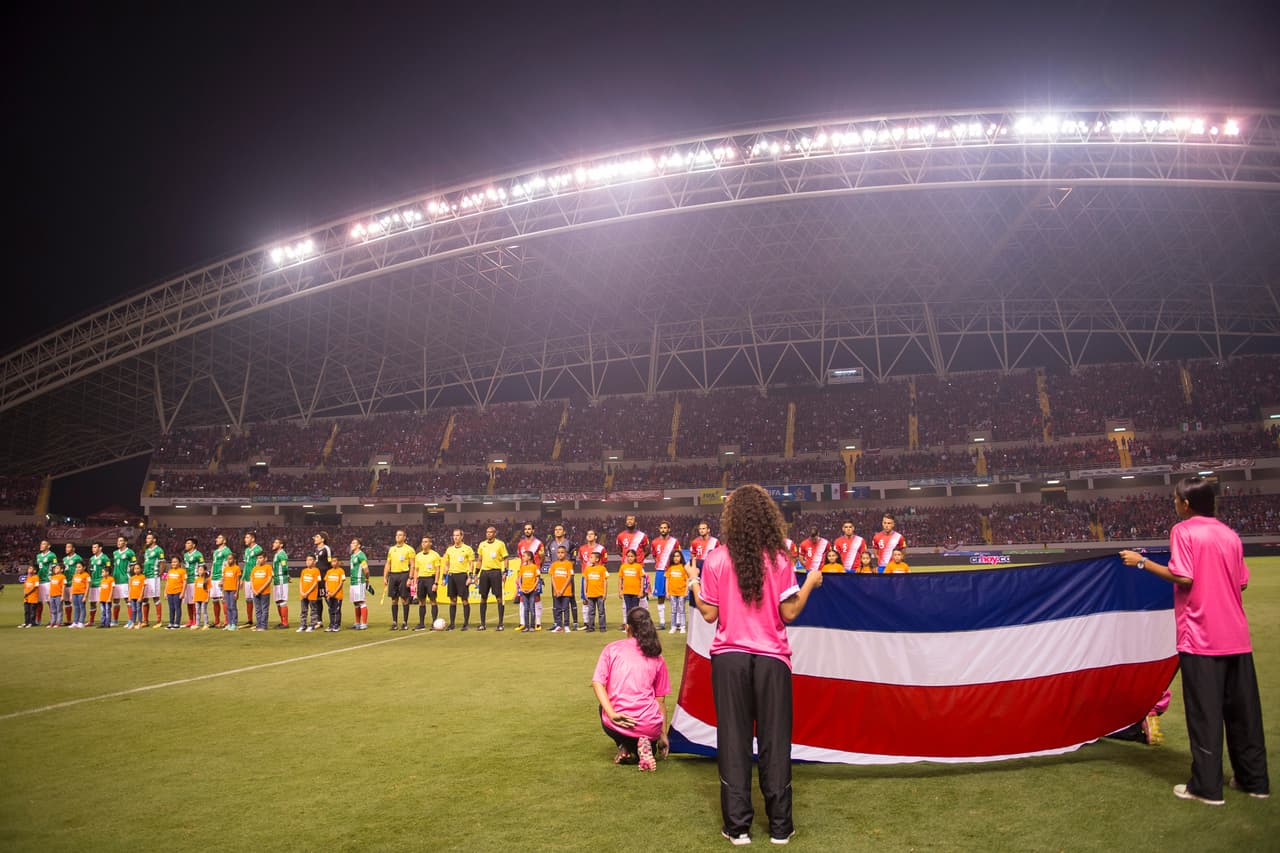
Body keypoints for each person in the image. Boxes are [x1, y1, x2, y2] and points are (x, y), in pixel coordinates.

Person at [688, 484, 824, 846]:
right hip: (771, 659)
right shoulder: (779, 559)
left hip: (729, 659)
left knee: (733, 740)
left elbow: (709, 614)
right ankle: (780, 827)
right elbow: (789, 612)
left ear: (731, 518)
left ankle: (738, 828)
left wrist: (694, 585)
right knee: (774, 740)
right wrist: (810, 582)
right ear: (767, 516)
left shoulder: (716, 559)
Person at [1120, 477, 1270, 804]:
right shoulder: (1229, 534)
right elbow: (1242, 582)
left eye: (1176, 499)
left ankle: (1206, 787)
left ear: (1186, 504)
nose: (1174, 504)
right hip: (1237, 636)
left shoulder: (1184, 531)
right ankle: (1254, 781)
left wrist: (1142, 562)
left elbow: (1184, 576)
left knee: (1204, 714)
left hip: (1201, 637)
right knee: (1244, 714)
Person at [591, 607, 671, 772]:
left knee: (602, 708)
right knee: (649, 733)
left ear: (627, 627)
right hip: (650, 724)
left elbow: (598, 683)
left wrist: (612, 714)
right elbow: (660, 701)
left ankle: (626, 746)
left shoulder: (612, 649)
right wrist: (663, 734)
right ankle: (643, 745)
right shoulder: (657, 656)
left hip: (621, 719)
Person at [545, 523, 579, 630]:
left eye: (560, 529)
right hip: (556, 576)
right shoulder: (550, 544)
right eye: (556, 529)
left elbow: (573, 559)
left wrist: (566, 568)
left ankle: (575, 622)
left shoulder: (570, 544)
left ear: (564, 532)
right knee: (555, 597)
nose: (557, 531)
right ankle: (557, 623)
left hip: (566, 575)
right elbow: (550, 559)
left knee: (571, 597)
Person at [475, 526, 509, 631]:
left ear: (495, 533)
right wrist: (476, 574)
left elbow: (505, 558)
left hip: (496, 572)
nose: (488, 534)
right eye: (487, 532)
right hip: (484, 573)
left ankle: (500, 624)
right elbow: (479, 560)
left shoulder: (500, 544)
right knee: (483, 597)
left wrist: (505, 572)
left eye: (490, 532)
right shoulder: (482, 544)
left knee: (499, 598)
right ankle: (482, 624)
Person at [650, 521, 680, 630]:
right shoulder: (654, 542)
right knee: (660, 597)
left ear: (669, 529)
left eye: (665, 528)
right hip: (660, 571)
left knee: (675, 596)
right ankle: (662, 622)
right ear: (659, 529)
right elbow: (654, 556)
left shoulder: (674, 542)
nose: (663, 529)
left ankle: (677, 622)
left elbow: (678, 555)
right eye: (661, 528)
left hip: (672, 571)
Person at [443, 528, 475, 631]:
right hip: (452, 576)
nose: (455, 537)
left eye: (457, 535)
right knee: (452, 600)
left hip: (462, 576)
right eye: (454, 535)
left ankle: (465, 624)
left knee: (464, 599)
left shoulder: (468, 549)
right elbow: (446, 564)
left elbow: (471, 564)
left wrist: (470, 576)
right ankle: (452, 624)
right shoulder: (449, 550)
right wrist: (444, 577)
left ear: (462, 536)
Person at [384, 529, 415, 631]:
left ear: (404, 537)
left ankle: (405, 622)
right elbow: (388, 564)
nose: (398, 536)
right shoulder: (392, 549)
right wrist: (385, 577)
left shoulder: (409, 549)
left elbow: (412, 565)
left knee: (404, 599)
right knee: (394, 600)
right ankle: (394, 622)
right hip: (393, 575)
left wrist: (410, 578)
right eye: (397, 535)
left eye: (400, 535)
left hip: (404, 575)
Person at [516, 523, 545, 630]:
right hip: (524, 573)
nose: (527, 531)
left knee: (536, 597)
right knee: (522, 597)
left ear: (533, 530)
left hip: (534, 573)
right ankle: (522, 623)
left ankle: (538, 623)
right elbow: (520, 558)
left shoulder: (539, 543)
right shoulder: (520, 544)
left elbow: (542, 557)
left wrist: (538, 569)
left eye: (529, 529)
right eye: (525, 529)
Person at [577, 529, 607, 631]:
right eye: (588, 534)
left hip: (597, 577)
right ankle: (587, 623)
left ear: (596, 537)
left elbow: (604, 562)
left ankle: (601, 625)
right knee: (585, 600)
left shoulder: (601, 548)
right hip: (586, 576)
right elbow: (582, 560)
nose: (589, 536)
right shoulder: (582, 548)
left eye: (591, 534)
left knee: (600, 603)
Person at [411, 535, 442, 631]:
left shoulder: (435, 555)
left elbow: (437, 570)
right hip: (421, 580)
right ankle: (421, 623)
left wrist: (435, 583)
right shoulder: (418, 556)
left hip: (430, 579)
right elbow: (416, 570)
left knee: (433, 600)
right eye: (423, 542)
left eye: (426, 542)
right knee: (421, 601)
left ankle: (434, 623)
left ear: (430, 543)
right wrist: (415, 583)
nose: (423, 543)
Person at [141, 531, 165, 628]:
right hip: (146, 576)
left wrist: (159, 574)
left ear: (154, 540)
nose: (147, 540)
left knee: (155, 598)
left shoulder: (159, 550)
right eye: (146, 538)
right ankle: (145, 621)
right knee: (144, 598)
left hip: (154, 577)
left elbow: (162, 563)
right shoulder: (146, 550)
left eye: (149, 538)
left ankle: (159, 621)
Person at [209, 533, 233, 628]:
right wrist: (210, 577)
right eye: (217, 538)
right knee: (214, 600)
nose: (216, 539)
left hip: (220, 577)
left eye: (219, 538)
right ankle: (217, 621)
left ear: (224, 541)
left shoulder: (227, 551)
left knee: (223, 599)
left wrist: (223, 578)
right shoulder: (215, 552)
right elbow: (214, 564)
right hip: (214, 578)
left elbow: (227, 565)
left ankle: (227, 621)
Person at [549, 545, 575, 633]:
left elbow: (569, 577)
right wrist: (556, 589)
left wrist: (562, 589)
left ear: (566, 554)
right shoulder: (554, 564)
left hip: (566, 591)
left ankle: (566, 625)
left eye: (562, 552)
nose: (560, 554)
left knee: (566, 609)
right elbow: (552, 577)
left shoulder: (569, 564)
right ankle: (559, 625)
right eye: (559, 553)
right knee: (557, 609)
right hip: (556, 591)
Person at [181, 538, 204, 628]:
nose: (186, 544)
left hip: (195, 580)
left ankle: (195, 620)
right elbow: (184, 567)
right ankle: (190, 620)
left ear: (193, 545)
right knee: (188, 601)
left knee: (194, 601)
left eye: (188, 543)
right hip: (187, 580)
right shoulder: (185, 555)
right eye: (186, 543)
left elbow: (202, 567)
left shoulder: (198, 555)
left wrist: (200, 579)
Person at [242, 532, 263, 632]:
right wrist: (242, 578)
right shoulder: (246, 550)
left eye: (247, 537)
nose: (245, 539)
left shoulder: (258, 549)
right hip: (247, 578)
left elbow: (260, 564)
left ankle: (260, 622)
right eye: (245, 537)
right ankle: (250, 620)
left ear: (253, 539)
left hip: (255, 578)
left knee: (257, 600)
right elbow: (246, 565)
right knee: (248, 600)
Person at [618, 549, 645, 627]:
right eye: (628, 556)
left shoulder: (638, 566)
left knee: (635, 609)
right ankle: (629, 625)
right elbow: (620, 579)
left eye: (632, 556)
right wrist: (620, 590)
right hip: (626, 592)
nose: (630, 558)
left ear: (635, 557)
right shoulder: (623, 566)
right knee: (628, 609)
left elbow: (642, 579)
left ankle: (636, 625)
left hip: (636, 592)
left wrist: (641, 591)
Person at [584, 550, 608, 632]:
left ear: (597, 559)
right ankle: (591, 627)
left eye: (591, 557)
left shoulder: (602, 569)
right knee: (591, 612)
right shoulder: (587, 569)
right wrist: (585, 592)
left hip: (600, 594)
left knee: (601, 612)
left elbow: (605, 581)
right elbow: (586, 581)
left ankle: (602, 627)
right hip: (590, 594)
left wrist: (605, 593)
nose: (589, 559)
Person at [348, 538, 370, 630]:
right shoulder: (353, 555)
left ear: (359, 545)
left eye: (354, 543)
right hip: (353, 582)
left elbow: (366, 570)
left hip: (359, 581)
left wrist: (367, 579)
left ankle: (364, 623)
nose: (351, 544)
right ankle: (357, 623)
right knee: (356, 602)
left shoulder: (361, 555)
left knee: (361, 602)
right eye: (351, 542)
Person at [666, 549, 689, 634]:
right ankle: (673, 626)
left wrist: (686, 591)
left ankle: (682, 627)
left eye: (678, 556)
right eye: (674, 556)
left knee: (682, 610)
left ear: (681, 557)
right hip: (672, 593)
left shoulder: (684, 567)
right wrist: (667, 592)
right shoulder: (670, 568)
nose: (676, 558)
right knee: (673, 610)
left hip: (682, 592)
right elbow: (667, 580)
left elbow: (687, 580)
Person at [517, 551, 541, 633]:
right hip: (524, 590)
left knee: (532, 608)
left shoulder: (534, 567)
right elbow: (519, 578)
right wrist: (521, 588)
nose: (523, 557)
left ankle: (532, 626)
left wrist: (532, 588)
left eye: (524, 556)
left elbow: (537, 579)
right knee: (525, 609)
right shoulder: (523, 567)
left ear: (529, 557)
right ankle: (526, 626)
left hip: (532, 591)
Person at [34, 539, 56, 625]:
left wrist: (53, 578)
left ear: (48, 546)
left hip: (47, 580)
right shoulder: (38, 556)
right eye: (41, 544)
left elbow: (55, 567)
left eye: (43, 544)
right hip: (39, 580)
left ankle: (53, 620)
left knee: (49, 601)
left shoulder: (52, 555)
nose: (41, 545)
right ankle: (38, 620)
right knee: (39, 602)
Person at [250, 552, 273, 631]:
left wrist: (260, 590)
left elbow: (269, 579)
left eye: (260, 558)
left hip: (264, 592)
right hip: (255, 592)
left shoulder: (268, 567)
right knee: (257, 609)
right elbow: (251, 579)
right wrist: (253, 589)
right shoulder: (254, 568)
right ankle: (258, 625)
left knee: (264, 609)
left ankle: (263, 626)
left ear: (265, 559)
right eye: (258, 558)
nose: (259, 560)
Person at [88, 542, 110, 627]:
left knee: (103, 603)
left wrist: (106, 581)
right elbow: (90, 570)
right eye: (92, 547)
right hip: (93, 584)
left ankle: (105, 621)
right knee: (92, 603)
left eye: (95, 547)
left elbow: (109, 569)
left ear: (100, 548)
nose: (93, 549)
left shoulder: (105, 558)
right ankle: (91, 621)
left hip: (101, 583)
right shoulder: (91, 559)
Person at [270, 537, 290, 629]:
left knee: (282, 600)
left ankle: (285, 623)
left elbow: (284, 566)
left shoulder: (282, 554)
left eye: (276, 542)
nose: (273, 544)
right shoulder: (277, 554)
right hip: (277, 579)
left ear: (281, 545)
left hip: (281, 579)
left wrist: (285, 575)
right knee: (278, 601)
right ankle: (282, 622)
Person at [298, 555, 322, 633]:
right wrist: (301, 591)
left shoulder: (316, 571)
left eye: (310, 560)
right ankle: (303, 625)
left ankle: (312, 625)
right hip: (303, 594)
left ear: (314, 561)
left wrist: (308, 592)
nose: (308, 561)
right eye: (307, 560)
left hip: (312, 594)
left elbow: (316, 583)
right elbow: (301, 582)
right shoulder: (304, 571)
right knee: (303, 611)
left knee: (313, 611)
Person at [62, 543, 83, 626]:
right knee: (67, 602)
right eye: (66, 547)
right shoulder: (64, 559)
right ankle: (69, 620)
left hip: (74, 582)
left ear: (73, 549)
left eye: (68, 547)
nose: (66, 548)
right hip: (66, 583)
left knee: (76, 602)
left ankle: (79, 620)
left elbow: (81, 569)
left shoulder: (78, 558)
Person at [164, 556, 186, 630]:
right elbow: (167, 582)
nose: (174, 563)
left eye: (175, 562)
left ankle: (177, 623)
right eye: (172, 562)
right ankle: (171, 622)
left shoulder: (182, 571)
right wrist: (165, 592)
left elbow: (185, 582)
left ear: (179, 563)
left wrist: (183, 593)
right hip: (170, 592)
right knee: (171, 608)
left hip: (178, 592)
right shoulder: (170, 571)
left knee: (177, 607)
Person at [323, 560, 345, 632]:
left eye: (335, 561)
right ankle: (331, 625)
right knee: (331, 610)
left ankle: (337, 625)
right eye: (332, 561)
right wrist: (327, 591)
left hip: (337, 595)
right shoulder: (329, 571)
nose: (333, 563)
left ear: (338, 562)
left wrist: (334, 593)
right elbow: (326, 582)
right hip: (329, 594)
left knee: (337, 610)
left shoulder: (341, 571)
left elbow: (341, 583)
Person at [222, 555, 242, 631]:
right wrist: (223, 591)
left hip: (233, 590)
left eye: (230, 559)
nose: (229, 560)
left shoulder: (237, 568)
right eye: (228, 559)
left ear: (234, 559)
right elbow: (224, 580)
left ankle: (234, 624)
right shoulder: (225, 568)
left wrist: (237, 592)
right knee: (228, 607)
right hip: (226, 590)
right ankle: (229, 623)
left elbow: (238, 581)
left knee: (233, 607)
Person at [69, 557, 89, 628]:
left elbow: (88, 586)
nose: (77, 568)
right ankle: (75, 622)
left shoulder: (86, 575)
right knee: (76, 608)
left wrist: (85, 596)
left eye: (79, 567)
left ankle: (81, 622)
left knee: (82, 607)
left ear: (84, 567)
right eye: (77, 567)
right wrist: (71, 595)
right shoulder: (75, 575)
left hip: (81, 594)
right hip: (74, 594)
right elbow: (72, 585)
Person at [192, 564, 211, 629]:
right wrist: (194, 597)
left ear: (205, 571)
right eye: (198, 570)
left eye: (201, 570)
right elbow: (195, 589)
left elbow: (209, 590)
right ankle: (197, 624)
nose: (199, 571)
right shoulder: (197, 579)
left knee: (204, 611)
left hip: (204, 598)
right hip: (197, 598)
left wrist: (208, 598)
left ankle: (206, 624)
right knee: (197, 612)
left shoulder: (207, 580)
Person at [127, 563, 146, 629]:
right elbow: (130, 588)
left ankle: (139, 623)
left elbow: (143, 587)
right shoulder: (132, 578)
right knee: (133, 610)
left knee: (139, 609)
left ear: (141, 569)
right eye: (135, 568)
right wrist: (129, 596)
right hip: (133, 596)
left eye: (138, 568)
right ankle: (133, 623)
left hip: (138, 597)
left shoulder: (143, 577)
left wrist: (141, 596)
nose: (136, 570)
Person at [47, 562, 66, 628]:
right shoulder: (53, 577)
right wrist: (49, 595)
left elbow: (63, 586)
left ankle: (58, 623)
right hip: (52, 595)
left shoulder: (63, 577)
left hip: (58, 595)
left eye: (57, 568)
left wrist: (62, 596)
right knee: (53, 610)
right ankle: (52, 622)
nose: (55, 569)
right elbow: (51, 587)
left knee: (59, 610)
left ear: (62, 570)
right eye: (55, 568)